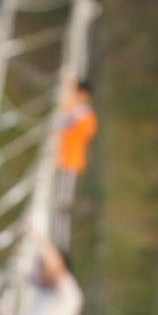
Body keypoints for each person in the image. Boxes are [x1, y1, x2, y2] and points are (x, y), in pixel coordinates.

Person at [54, 78, 97, 250]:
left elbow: (73, 129)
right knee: (59, 198)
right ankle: (59, 239)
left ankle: (60, 242)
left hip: (69, 160)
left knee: (63, 201)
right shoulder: (77, 110)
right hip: (62, 158)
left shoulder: (83, 114)